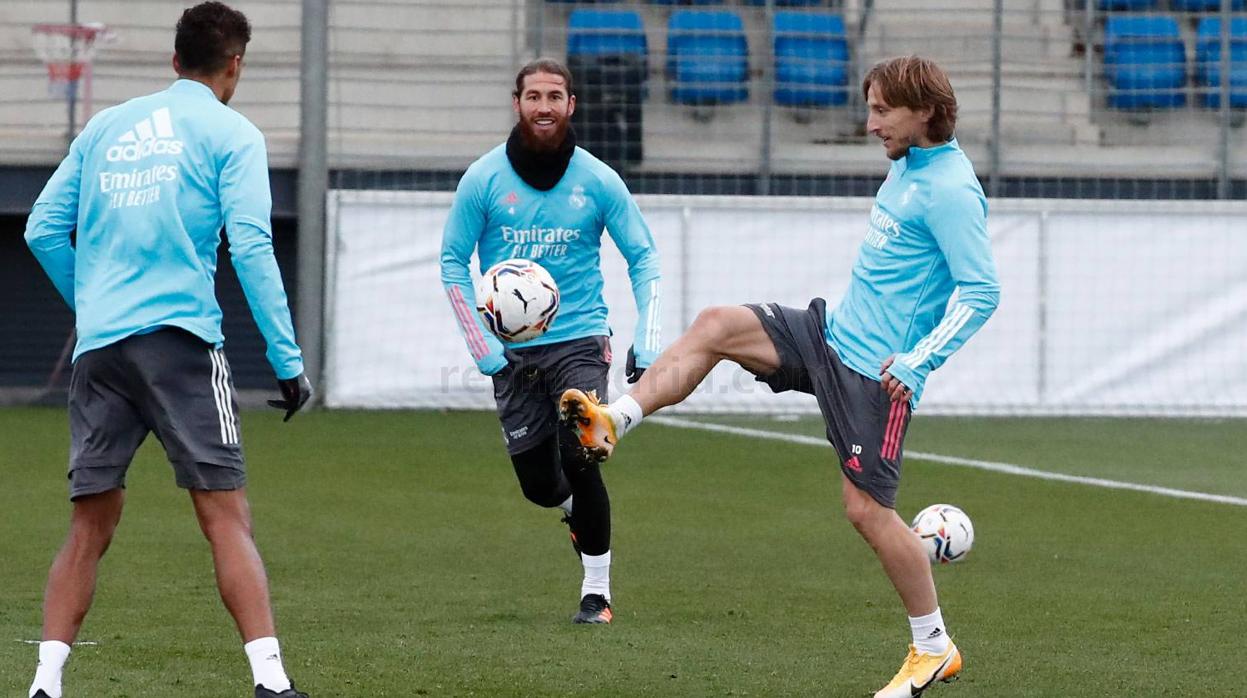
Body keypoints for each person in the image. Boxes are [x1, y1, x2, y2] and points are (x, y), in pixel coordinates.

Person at [560, 56, 999, 697]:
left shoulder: (952, 189)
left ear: (924, 111)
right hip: (829, 334)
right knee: (717, 325)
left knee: (867, 513)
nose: (871, 123)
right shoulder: (911, 164)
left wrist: (916, 359)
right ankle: (613, 420)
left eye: (882, 111)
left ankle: (934, 647)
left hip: (874, 376)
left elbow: (981, 291)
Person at [23, 3, 312, 697]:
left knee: (90, 522)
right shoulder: (232, 133)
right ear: (233, 65)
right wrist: (287, 360)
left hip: (101, 350)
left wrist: (93, 306)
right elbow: (249, 244)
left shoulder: (105, 128)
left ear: (174, 59)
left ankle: (45, 683)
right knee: (223, 514)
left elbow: (40, 229)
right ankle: (270, 682)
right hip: (180, 343)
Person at [441, 57, 661, 625]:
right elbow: (451, 264)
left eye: (554, 96)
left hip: (580, 341)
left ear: (571, 106)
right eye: (533, 96)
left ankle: (597, 595)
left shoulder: (598, 179)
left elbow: (644, 256)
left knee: (581, 451)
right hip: (510, 353)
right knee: (540, 485)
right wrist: (484, 352)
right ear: (517, 104)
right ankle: (577, 518)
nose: (544, 106)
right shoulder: (483, 179)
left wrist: (649, 336)